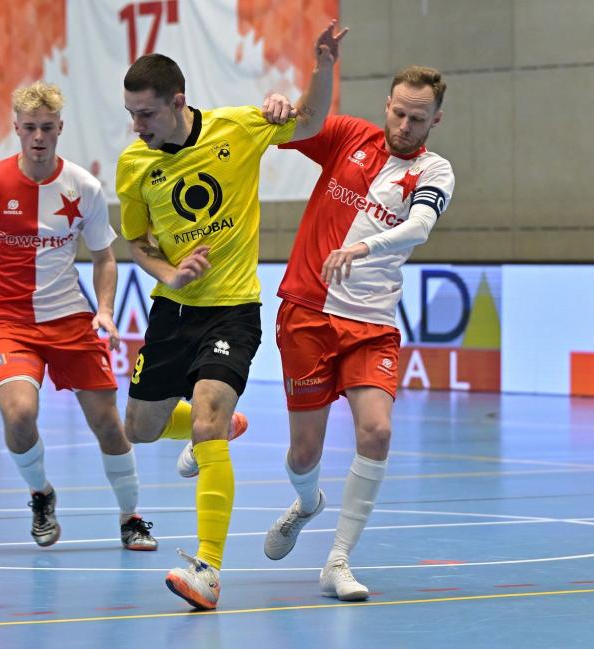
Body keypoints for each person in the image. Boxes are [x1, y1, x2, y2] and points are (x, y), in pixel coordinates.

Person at [115, 22, 348, 610]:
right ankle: (214, 426)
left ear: (178, 102)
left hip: (233, 310)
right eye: (131, 115)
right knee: (138, 428)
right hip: (173, 311)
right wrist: (169, 273)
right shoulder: (135, 164)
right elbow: (137, 243)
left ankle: (208, 571)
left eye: (146, 114)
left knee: (208, 421)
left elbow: (310, 121)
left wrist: (320, 68)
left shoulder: (237, 129)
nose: (137, 126)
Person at [0, 81, 158, 553]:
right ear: (16, 128)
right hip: (9, 323)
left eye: (47, 128)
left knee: (108, 425)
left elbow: (104, 257)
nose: (38, 137)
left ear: (60, 128)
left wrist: (104, 311)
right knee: (19, 414)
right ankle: (41, 494)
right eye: (30, 128)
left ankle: (131, 517)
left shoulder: (84, 187)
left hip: (71, 320)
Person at [261, 66, 455, 601]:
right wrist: (285, 100)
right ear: (386, 104)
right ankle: (307, 503)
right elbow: (298, 124)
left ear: (435, 121)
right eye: (399, 113)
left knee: (377, 431)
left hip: (372, 322)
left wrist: (364, 247)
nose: (405, 125)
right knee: (304, 455)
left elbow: (420, 226)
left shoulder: (434, 170)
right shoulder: (348, 136)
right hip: (307, 312)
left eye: (418, 119)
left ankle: (338, 560)